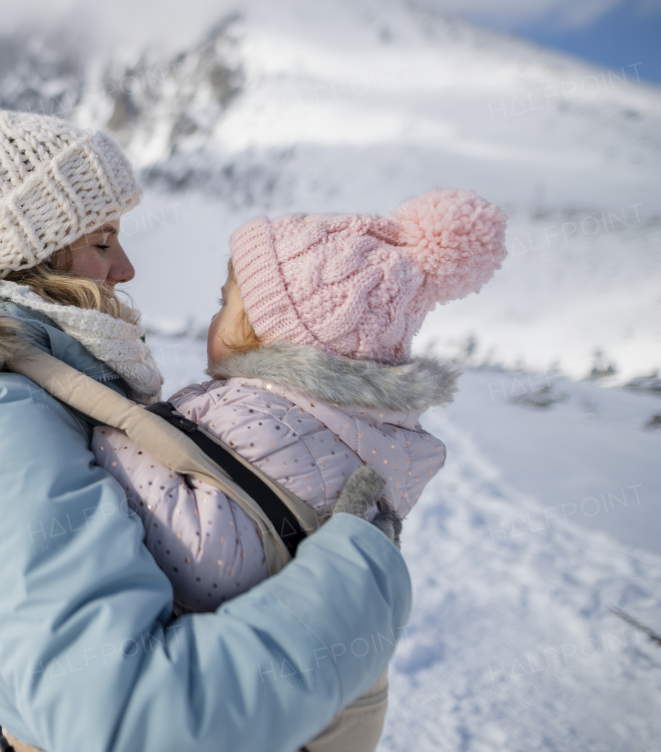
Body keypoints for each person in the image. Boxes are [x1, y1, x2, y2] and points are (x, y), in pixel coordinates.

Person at [0, 59, 412, 751]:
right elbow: (121, 715)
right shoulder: (8, 411)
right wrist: (357, 575)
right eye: (102, 242)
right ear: (28, 261)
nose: (126, 267)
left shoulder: (45, 382)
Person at [93, 189, 506, 615]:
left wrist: (112, 429)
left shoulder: (268, 420)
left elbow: (204, 564)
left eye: (224, 304)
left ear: (274, 335)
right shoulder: (326, 421)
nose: (213, 318)